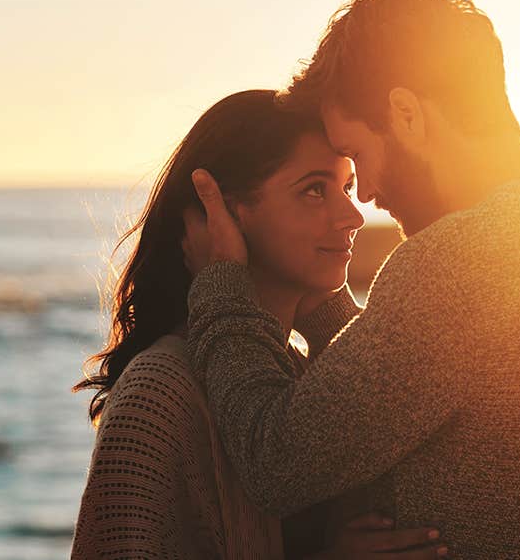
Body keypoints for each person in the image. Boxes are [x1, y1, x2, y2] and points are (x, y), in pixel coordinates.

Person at [182, 0, 520, 559]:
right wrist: (323, 303)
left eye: (358, 155)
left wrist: (223, 286)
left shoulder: (467, 257)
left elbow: (272, 461)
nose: (366, 195)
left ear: (406, 113)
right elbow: (424, 390)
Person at [71, 89, 447, 559]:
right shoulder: (158, 393)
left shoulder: (298, 374)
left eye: (347, 187)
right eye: (315, 190)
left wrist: (327, 314)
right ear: (224, 213)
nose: (353, 216)